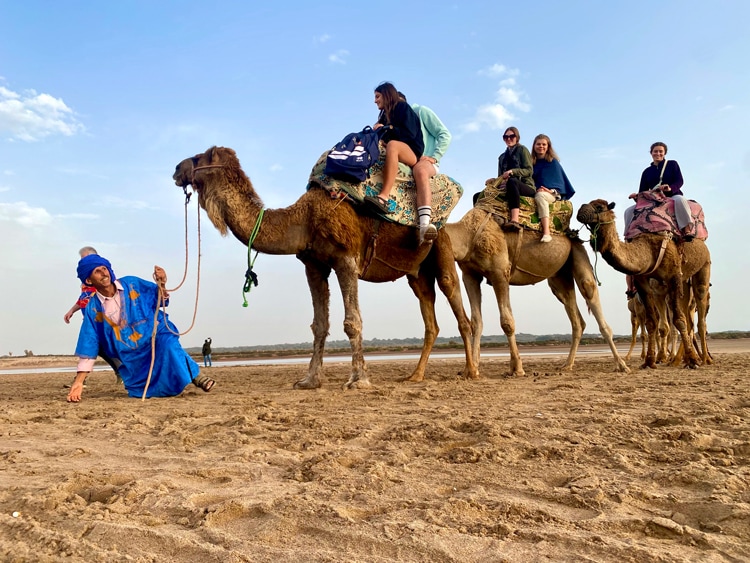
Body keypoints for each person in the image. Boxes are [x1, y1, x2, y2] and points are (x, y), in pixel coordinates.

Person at [67, 254, 215, 402]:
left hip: (155, 330)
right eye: (97, 271)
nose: (103, 273)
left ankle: (198, 377)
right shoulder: (93, 309)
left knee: (169, 344)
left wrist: (162, 283)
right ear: (88, 280)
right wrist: (78, 382)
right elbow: (89, 343)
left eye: (104, 268)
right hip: (130, 350)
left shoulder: (132, 283)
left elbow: (159, 300)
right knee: (141, 390)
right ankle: (184, 379)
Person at [624, 141, 692, 296]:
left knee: (681, 201)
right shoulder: (647, 172)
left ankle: (685, 227)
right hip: (653, 199)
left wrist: (670, 188)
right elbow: (642, 190)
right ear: (651, 153)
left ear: (664, 153)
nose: (658, 154)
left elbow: (679, 181)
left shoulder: (672, 165)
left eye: (661, 151)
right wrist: (637, 196)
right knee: (629, 211)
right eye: (656, 151)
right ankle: (628, 237)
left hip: (670, 195)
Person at [397, 92, 452, 244]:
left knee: (420, 171)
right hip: (408, 161)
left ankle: (424, 225)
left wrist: (435, 156)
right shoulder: (393, 121)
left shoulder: (421, 112)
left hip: (425, 161)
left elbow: (444, 134)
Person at [363, 82, 424, 217]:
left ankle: (384, 196)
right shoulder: (384, 115)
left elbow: (410, 134)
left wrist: (388, 130)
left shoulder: (403, 108)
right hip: (395, 147)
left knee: (393, 146)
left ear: (386, 95)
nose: (375, 101)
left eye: (378, 96)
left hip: (412, 153)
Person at [63, 246, 122, 385]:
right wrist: (72, 310)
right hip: (90, 320)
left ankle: (123, 372)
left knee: (97, 347)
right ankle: (120, 371)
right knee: (94, 347)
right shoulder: (86, 280)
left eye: (86, 258)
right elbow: (83, 298)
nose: (83, 262)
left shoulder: (103, 278)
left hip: (104, 321)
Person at [482, 126, 536, 231]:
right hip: (508, 186)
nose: (509, 139)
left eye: (512, 136)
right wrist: (493, 180)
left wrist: (513, 172)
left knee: (512, 182)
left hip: (525, 186)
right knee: (480, 194)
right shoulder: (502, 157)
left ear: (517, 137)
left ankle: (514, 220)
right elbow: (501, 177)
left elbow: (529, 171)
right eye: (505, 137)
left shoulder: (522, 150)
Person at [530, 134, 575, 243]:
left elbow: (559, 184)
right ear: (534, 146)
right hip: (534, 191)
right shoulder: (531, 164)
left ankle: (546, 232)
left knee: (541, 196)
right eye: (538, 144)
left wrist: (549, 190)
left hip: (550, 194)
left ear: (548, 146)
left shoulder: (553, 162)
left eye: (544, 144)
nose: (541, 146)